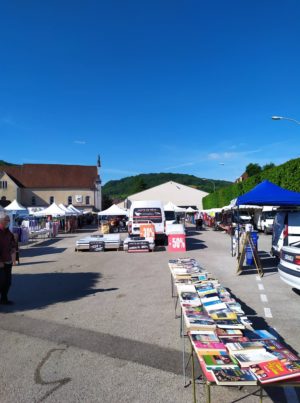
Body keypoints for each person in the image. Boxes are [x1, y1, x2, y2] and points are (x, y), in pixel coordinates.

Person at [0, 212, 16, 305]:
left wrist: (13, 249)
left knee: (7, 282)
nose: (8, 222)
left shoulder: (8, 232)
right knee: (1, 282)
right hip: (1, 262)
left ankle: (4, 299)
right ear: (1, 220)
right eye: (7, 220)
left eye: (9, 220)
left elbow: (12, 243)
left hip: (8, 261)